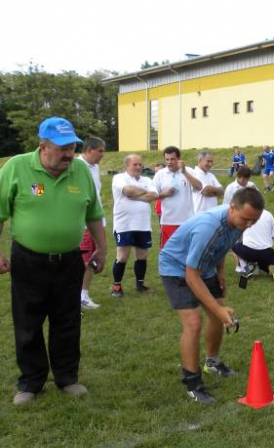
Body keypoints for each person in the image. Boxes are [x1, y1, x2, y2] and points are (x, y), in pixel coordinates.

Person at [0, 116, 106, 405]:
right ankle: (31, 382)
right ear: (43, 146)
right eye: (62, 148)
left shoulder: (80, 171)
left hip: (69, 260)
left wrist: (101, 248)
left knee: (68, 320)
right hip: (28, 259)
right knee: (28, 321)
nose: (69, 154)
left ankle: (67, 378)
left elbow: (93, 213)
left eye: (72, 147)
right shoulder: (17, 167)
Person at [159, 188, 264, 403]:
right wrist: (218, 309)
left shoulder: (238, 222)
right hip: (177, 267)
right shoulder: (209, 227)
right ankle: (192, 383)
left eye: (254, 221)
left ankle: (212, 363)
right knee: (194, 322)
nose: (248, 225)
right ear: (232, 208)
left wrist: (221, 272)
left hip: (204, 267)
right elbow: (191, 276)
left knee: (218, 314)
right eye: (245, 219)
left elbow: (222, 247)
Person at [110, 154, 159, 297]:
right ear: (127, 166)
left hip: (143, 224)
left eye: (140, 164)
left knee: (142, 256)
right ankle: (117, 287)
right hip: (124, 224)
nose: (138, 167)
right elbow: (128, 191)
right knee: (122, 256)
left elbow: (154, 195)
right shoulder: (119, 178)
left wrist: (135, 194)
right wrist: (143, 192)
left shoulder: (147, 180)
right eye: (135, 164)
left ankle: (140, 285)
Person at [77, 136, 106, 310]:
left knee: (93, 260)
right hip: (82, 224)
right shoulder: (77, 166)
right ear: (89, 150)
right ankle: (79, 296)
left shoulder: (95, 168)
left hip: (96, 221)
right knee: (84, 260)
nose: (103, 154)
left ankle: (83, 294)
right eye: (100, 151)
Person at [153, 146, 202, 248]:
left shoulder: (189, 171)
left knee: (186, 251)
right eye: (167, 159)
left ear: (179, 159)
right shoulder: (160, 174)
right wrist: (163, 194)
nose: (169, 162)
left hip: (187, 221)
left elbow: (199, 187)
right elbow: (151, 195)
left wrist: (184, 172)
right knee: (168, 252)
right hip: (167, 221)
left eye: (172, 159)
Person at [233, 202, 274, 281]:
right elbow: (272, 236)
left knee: (233, 246)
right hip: (267, 252)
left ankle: (245, 269)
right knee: (265, 262)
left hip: (248, 251)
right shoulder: (269, 215)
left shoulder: (246, 214)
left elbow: (238, 232)